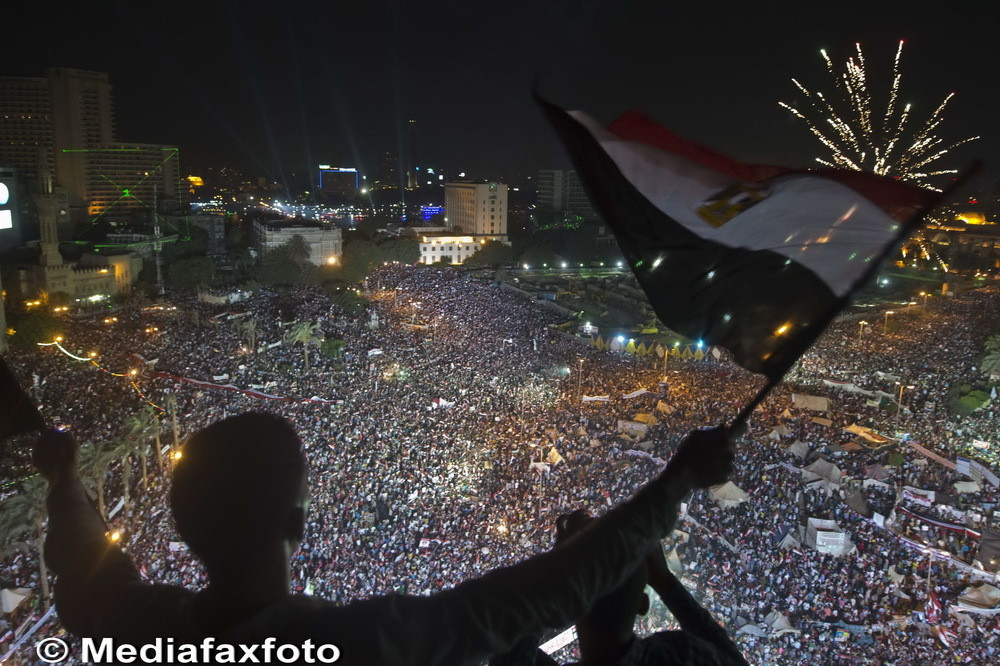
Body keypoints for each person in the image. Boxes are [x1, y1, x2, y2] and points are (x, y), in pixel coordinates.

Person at [35, 412, 738, 665]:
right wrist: (674, 482)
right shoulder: (356, 646)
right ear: (299, 525)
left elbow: (85, 567)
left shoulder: (142, 629)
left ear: (185, 531)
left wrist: (64, 478)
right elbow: (542, 597)